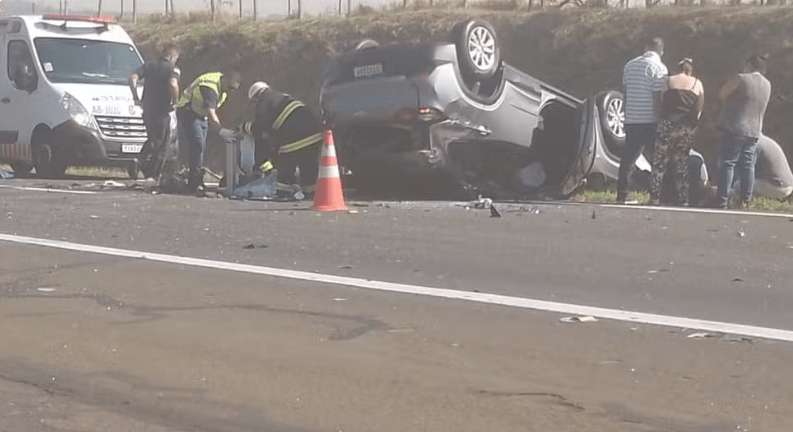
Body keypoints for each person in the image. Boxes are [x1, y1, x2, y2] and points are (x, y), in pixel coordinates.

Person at [239, 81, 323, 199]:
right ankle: (310, 193)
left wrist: (246, 128)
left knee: (286, 161)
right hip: (314, 132)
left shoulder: (263, 101)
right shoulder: (280, 96)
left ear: (255, 98)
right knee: (308, 165)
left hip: (295, 134)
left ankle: (283, 192)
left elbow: (262, 131)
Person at [714, 53, 771, 209]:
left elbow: (722, 94)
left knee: (728, 163)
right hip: (754, 130)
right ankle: (746, 201)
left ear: (749, 65)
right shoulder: (767, 84)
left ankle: (722, 200)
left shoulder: (741, 78)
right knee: (748, 166)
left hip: (735, 126)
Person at [617, 37, 669, 204]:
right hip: (650, 120)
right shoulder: (659, 68)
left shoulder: (629, 65)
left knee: (628, 159)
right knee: (656, 159)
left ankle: (622, 194)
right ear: (661, 51)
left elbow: (625, 93)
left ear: (646, 47)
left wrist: (625, 115)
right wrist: (660, 118)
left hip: (632, 119)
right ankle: (656, 196)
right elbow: (657, 97)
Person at [649, 57, 704, 206]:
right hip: (684, 127)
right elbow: (697, 112)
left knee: (659, 162)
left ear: (677, 69)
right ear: (690, 70)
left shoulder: (667, 81)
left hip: (667, 123)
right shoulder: (697, 84)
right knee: (681, 164)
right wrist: (691, 127)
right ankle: (683, 199)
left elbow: (659, 102)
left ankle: (654, 197)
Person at [175, 69, 241, 195]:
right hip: (188, 111)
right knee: (198, 143)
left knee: (202, 147)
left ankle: (197, 178)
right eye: (230, 87)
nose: (230, 91)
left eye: (233, 89)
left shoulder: (223, 89)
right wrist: (222, 131)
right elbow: (211, 113)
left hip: (201, 114)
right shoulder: (210, 88)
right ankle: (194, 182)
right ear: (226, 80)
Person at [128, 45, 180, 178]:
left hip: (147, 108)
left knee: (153, 138)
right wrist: (175, 102)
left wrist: (135, 96)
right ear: (172, 56)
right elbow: (173, 84)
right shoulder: (171, 69)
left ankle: (148, 170)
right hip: (162, 110)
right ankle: (142, 163)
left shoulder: (149, 66)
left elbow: (132, 77)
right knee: (161, 142)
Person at [731, 135, 793, 201]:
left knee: (738, 185)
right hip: (787, 185)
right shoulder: (763, 141)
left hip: (778, 186)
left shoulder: (753, 145)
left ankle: (744, 201)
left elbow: (747, 169)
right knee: (743, 182)